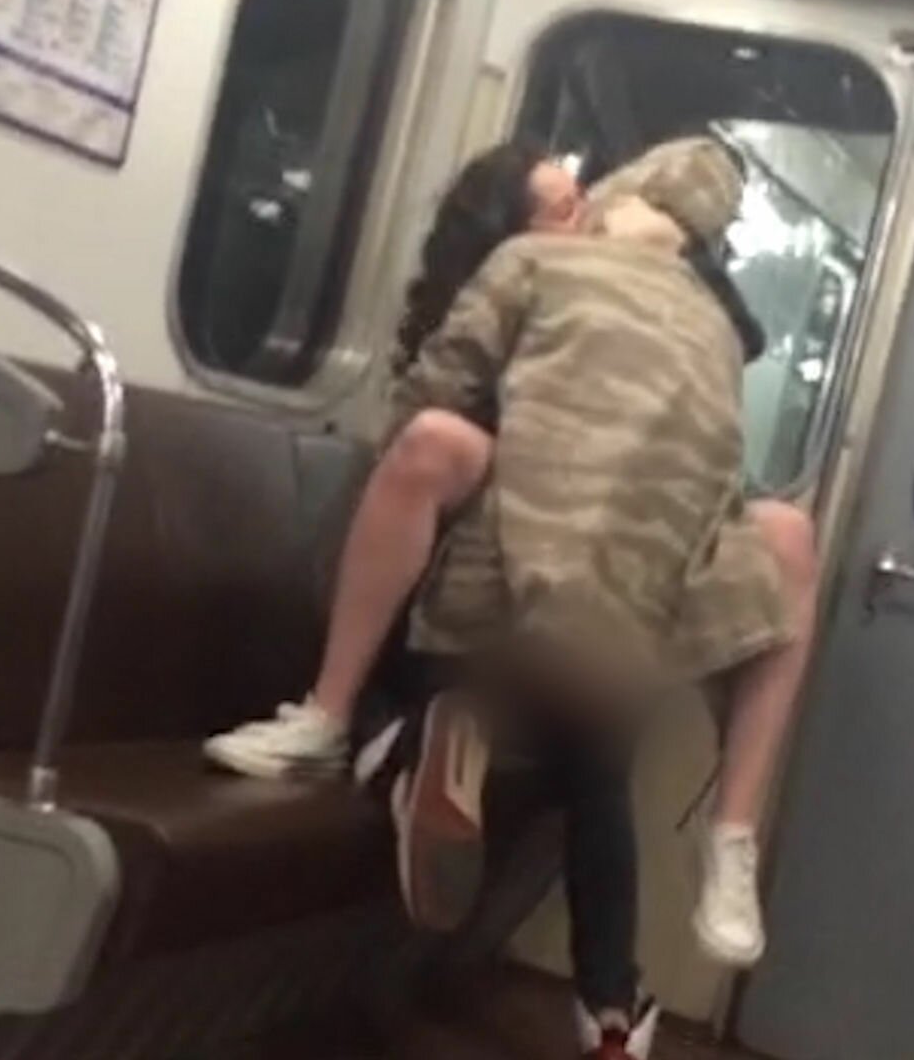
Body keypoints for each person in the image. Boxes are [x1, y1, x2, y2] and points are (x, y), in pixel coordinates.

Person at [205, 139, 821, 975]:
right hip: (485, 577)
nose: (589, 212)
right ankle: (333, 719)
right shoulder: (523, 277)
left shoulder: (680, 312)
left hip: (615, 588)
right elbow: (425, 406)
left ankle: (729, 836)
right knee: (435, 444)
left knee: (787, 539)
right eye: (563, 208)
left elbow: (705, 440)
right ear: (514, 234)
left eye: (586, 197)